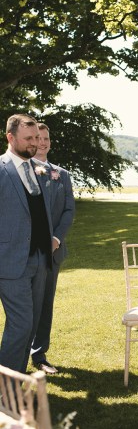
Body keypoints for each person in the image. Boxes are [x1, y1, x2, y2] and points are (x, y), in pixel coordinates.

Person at [0, 114, 53, 373]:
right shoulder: (1, 169)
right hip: (10, 263)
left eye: (37, 138)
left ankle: (16, 382)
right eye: (28, 138)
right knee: (20, 325)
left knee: (29, 326)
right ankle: (3, 391)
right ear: (10, 138)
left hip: (38, 261)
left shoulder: (33, 168)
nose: (35, 143)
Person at [31, 123, 75, 375]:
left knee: (46, 303)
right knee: (26, 305)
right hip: (26, 252)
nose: (44, 142)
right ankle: (15, 356)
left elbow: (69, 210)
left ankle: (39, 355)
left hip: (54, 252)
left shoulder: (62, 174)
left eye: (47, 138)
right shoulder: (21, 172)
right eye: (38, 138)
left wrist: (57, 238)